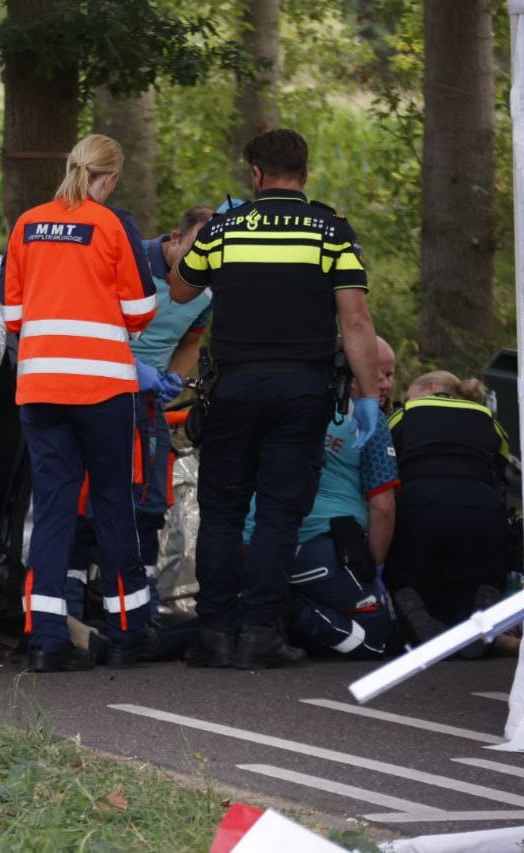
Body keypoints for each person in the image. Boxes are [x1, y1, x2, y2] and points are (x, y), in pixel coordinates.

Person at [168, 128, 380, 669]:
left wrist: (210, 236)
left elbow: (179, 290)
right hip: (303, 390)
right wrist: (368, 397)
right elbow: (355, 321)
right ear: (304, 174)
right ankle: (260, 633)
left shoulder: (224, 228)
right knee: (279, 515)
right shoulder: (331, 232)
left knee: (221, 511)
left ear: (256, 175)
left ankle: (215, 633)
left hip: (233, 389)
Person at [2, 134, 159, 672]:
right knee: (113, 502)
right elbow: (141, 308)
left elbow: (12, 317)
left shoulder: (27, 224)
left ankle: (45, 639)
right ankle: (127, 631)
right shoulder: (113, 225)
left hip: (40, 387)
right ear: (109, 178)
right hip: (102, 390)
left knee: (51, 507)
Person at [245, 336, 399, 658]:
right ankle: (285, 610)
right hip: (320, 549)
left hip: (253, 545)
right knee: (377, 638)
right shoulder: (367, 421)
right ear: (349, 372)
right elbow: (383, 507)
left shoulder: (275, 405)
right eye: (375, 374)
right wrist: (372, 568)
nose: (384, 384)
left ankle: (255, 613)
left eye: (390, 374)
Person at [385, 370, 515, 656]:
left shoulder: (404, 413)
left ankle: (413, 609)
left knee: (407, 569)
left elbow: (384, 460)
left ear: (429, 387)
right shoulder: (486, 416)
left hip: (420, 501)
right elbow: (504, 467)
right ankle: (481, 610)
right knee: (481, 569)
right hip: (479, 505)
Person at [128, 205, 216, 592]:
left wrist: (173, 380)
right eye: (196, 248)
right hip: (105, 388)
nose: (203, 260)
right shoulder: (131, 262)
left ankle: (142, 596)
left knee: (152, 500)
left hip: (151, 401)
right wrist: (131, 369)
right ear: (176, 238)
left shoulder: (209, 288)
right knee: (100, 500)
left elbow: (192, 340)